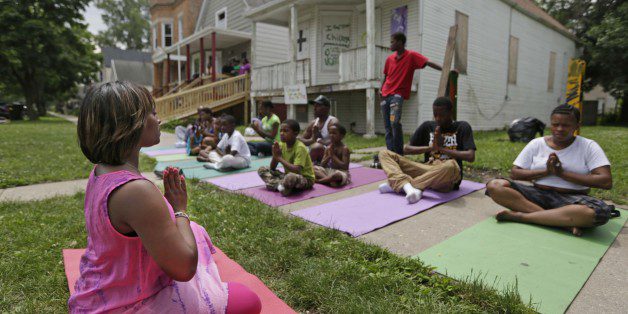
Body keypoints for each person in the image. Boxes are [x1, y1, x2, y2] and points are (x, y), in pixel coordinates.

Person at [69, 81, 261, 313]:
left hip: (100, 294)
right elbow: (184, 269)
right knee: (248, 301)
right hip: (127, 304)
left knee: (196, 232)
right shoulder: (135, 191)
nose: (158, 119)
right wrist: (179, 209)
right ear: (130, 125)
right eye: (153, 112)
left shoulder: (100, 171)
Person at [486, 104, 616, 236]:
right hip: (537, 194)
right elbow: (515, 173)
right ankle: (561, 223)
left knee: (598, 212)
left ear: (577, 126)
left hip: (572, 199)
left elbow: (605, 181)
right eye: (555, 124)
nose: (559, 129)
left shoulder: (588, 146)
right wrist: (546, 172)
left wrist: (562, 173)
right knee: (495, 186)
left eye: (566, 125)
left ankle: (522, 217)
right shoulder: (537, 143)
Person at [378, 97, 476, 204]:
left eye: (442, 115)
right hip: (427, 169)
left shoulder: (462, 127)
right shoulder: (428, 126)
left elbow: (470, 156)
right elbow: (406, 149)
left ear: (450, 113)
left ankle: (401, 184)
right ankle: (410, 186)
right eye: (435, 114)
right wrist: (430, 148)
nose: (438, 118)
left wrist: (442, 149)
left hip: (447, 176)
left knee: (450, 165)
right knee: (384, 153)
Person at [380, 32, 442, 155]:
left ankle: (398, 154)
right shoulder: (389, 59)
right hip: (385, 96)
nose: (390, 44)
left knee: (394, 123)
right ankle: (390, 154)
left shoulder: (411, 56)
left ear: (400, 42)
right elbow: (386, 76)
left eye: (392, 41)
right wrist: (380, 89)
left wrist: (445, 69)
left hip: (396, 96)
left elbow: (428, 62)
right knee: (387, 126)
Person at [258, 119, 315, 196]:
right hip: (287, 175)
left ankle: (278, 185)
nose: (281, 133)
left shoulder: (300, 147)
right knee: (262, 169)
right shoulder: (282, 145)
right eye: (281, 131)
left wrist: (279, 158)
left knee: (290, 177)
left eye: (286, 131)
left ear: (295, 133)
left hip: (304, 178)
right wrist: (275, 155)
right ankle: (280, 186)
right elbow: (272, 168)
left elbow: (297, 170)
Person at [298, 95, 339, 164]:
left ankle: (305, 168)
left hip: (330, 154)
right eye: (314, 106)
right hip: (315, 152)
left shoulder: (333, 122)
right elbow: (303, 139)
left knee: (317, 147)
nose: (314, 108)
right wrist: (312, 139)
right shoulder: (313, 122)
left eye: (318, 106)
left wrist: (317, 138)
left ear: (327, 108)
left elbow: (335, 142)